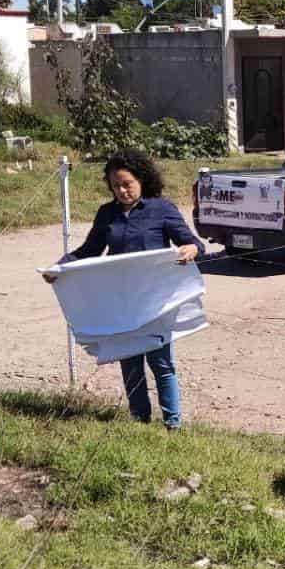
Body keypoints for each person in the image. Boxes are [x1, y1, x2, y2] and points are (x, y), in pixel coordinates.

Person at [44, 150, 205, 431]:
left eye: (127, 184)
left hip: (155, 302)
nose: (122, 191)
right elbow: (89, 250)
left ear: (141, 179)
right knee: (130, 363)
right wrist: (59, 268)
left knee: (161, 363)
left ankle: (173, 425)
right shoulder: (107, 214)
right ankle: (139, 422)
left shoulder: (162, 209)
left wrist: (191, 248)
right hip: (121, 303)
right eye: (115, 185)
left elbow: (192, 243)